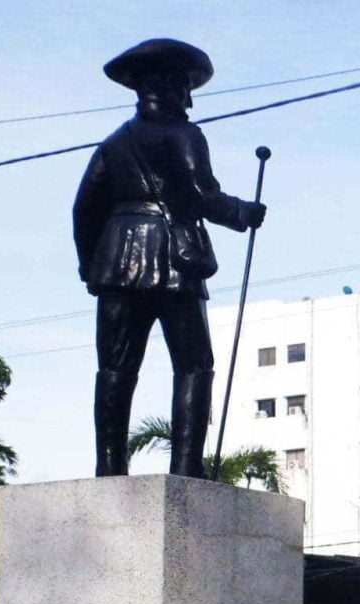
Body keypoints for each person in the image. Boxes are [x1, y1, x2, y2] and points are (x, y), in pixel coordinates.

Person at [73, 39, 267, 477]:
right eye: (186, 87)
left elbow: (84, 208)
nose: (190, 99)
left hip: (116, 264)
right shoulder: (185, 135)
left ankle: (109, 465)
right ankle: (185, 466)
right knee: (195, 363)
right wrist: (243, 212)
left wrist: (92, 265)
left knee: (115, 368)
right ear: (172, 88)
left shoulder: (112, 144)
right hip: (175, 262)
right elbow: (202, 196)